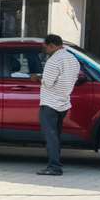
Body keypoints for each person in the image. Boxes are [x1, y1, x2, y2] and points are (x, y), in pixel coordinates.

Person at [32, 34, 81, 176]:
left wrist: (37, 78)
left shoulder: (53, 60)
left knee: (51, 136)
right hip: (64, 103)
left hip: (50, 103)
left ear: (52, 45)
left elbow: (48, 82)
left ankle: (54, 167)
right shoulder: (73, 59)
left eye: (45, 47)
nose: (44, 49)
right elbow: (71, 79)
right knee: (56, 135)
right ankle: (56, 161)